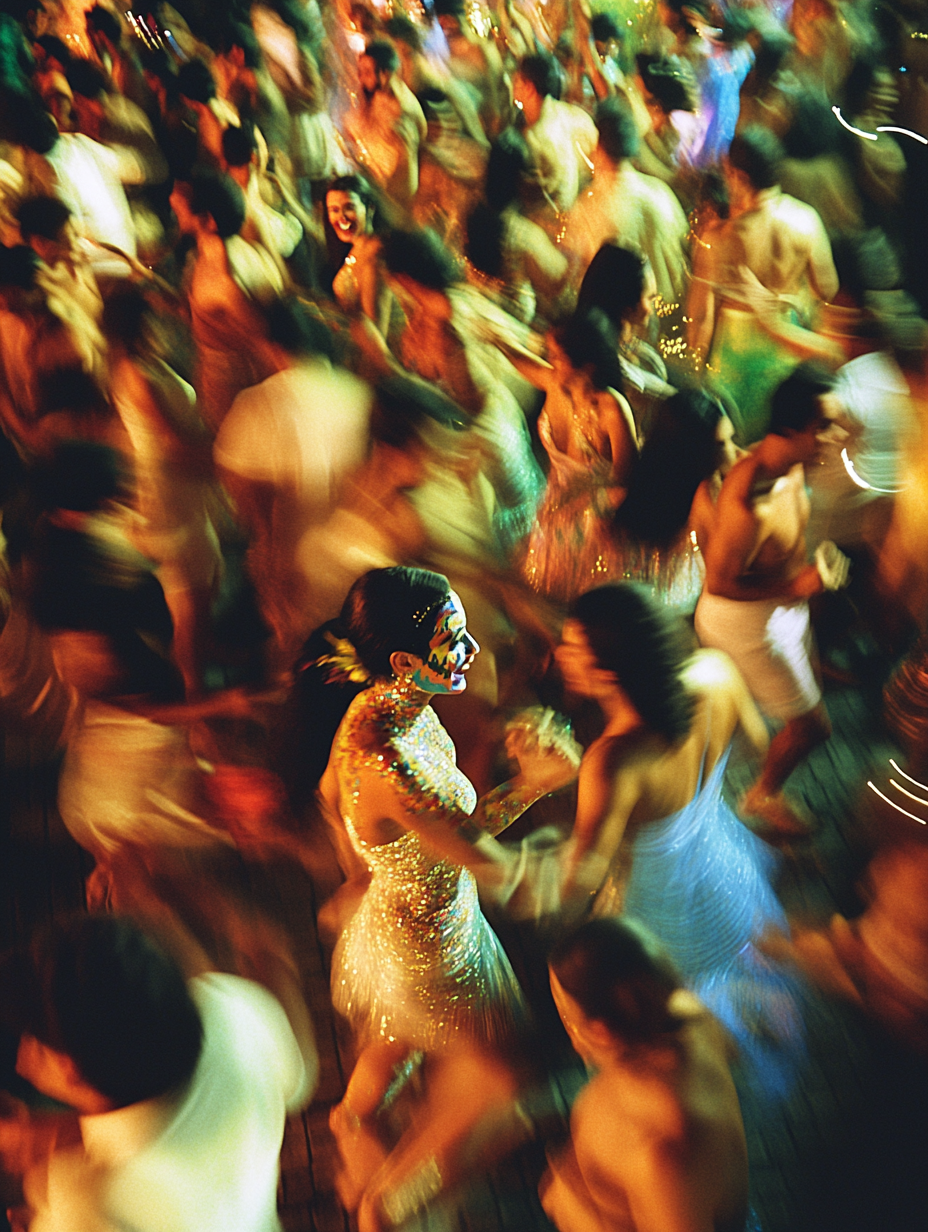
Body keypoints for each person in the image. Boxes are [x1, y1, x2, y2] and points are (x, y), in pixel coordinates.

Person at [318, 567, 574, 1225]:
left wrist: (365, 869)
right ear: (405, 659)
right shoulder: (392, 759)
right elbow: (485, 859)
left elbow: (329, 795)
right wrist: (542, 786)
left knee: (398, 1031)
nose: (472, 651)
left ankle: (353, 1118)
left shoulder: (372, 706)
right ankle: (387, 1205)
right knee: (501, 1082)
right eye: (455, 638)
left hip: (404, 917)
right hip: (434, 948)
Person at [555, 583, 800, 1092]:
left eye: (571, 647)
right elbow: (755, 745)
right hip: (723, 870)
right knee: (726, 975)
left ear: (606, 672)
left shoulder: (613, 762)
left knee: (661, 1001)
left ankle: (687, 1081)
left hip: (656, 905)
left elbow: (580, 881)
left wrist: (544, 784)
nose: (558, 654)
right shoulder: (717, 673)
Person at [0, 912, 314, 1232]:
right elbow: (295, 1085)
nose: (22, 1058)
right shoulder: (230, 1009)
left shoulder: (92, 1201)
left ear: (71, 1068)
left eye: (33, 1040)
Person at [694, 364, 851, 834]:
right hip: (745, 623)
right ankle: (760, 796)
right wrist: (794, 587)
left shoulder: (793, 465)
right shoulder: (748, 502)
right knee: (814, 727)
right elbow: (719, 584)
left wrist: (800, 583)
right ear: (793, 429)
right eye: (824, 427)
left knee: (784, 708)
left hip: (781, 607)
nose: (836, 435)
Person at [542, 917, 749, 1232]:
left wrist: (580, 1219)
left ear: (600, 1032)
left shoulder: (662, 1157)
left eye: (567, 1016)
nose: (570, 1035)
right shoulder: (691, 1018)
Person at [686, 126, 840, 443]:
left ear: (739, 176)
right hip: (788, 347)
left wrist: (695, 371)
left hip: (736, 357)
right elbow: (828, 289)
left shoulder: (719, 238)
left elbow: (699, 318)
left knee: (736, 446)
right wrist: (790, 300)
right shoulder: (807, 220)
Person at [343, 40, 426, 215]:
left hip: (393, 192)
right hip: (376, 177)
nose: (360, 77)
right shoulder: (379, 93)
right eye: (360, 71)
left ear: (385, 74)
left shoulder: (402, 110)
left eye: (366, 72)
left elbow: (408, 156)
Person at [324, 172, 393, 336]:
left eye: (349, 207)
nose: (342, 218)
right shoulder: (357, 249)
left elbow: (376, 334)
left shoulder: (375, 257)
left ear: (370, 208)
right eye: (334, 210)